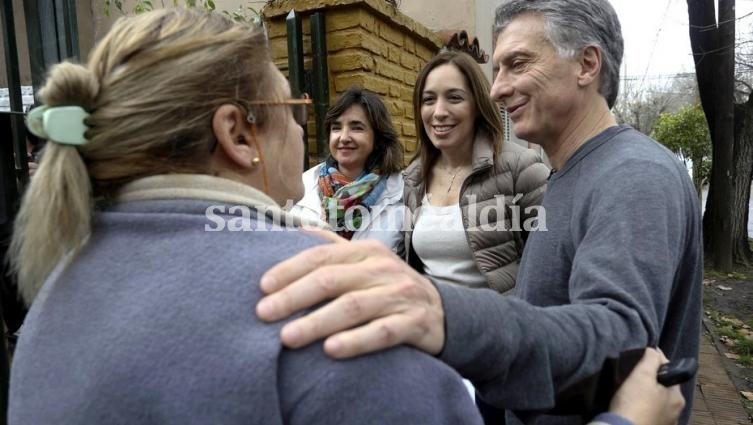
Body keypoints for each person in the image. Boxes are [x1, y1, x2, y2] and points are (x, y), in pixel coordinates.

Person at [7, 9, 483, 424]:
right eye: (293, 108)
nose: (306, 130)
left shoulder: (58, 287)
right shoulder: (324, 297)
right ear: (236, 134)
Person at [255, 0, 703, 424]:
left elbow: (621, 341)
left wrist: (444, 313)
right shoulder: (567, 172)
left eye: (519, 63)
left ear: (587, 64)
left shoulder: (634, 174)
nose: (498, 87)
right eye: (497, 69)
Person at [404, 50, 548, 293]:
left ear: (477, 105)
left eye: (454, 98)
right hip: (431, 326)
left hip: (500, 325)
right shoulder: (414, 176)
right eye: (428, 100)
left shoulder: (521, 167)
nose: (439, 112)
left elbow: (554, 262)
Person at [291, 87, 405, 254]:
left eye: (357, 128)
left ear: (378, 137)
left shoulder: (404, 192)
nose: (344, 137)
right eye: (336, 128)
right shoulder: (301, 186)